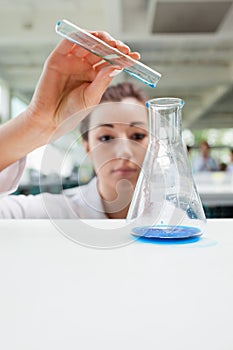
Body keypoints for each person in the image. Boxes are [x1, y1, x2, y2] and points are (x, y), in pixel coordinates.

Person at [0, 80, 148, 218]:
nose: (124, 152)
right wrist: (34, 121)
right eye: (106, 138)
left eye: (137, 136)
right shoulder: (55, 213)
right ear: (87, 146)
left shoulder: (170, 211)